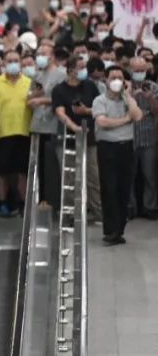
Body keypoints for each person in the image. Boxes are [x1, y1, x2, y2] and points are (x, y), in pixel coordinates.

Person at [92, 66, 143, 245]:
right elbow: (103, 122)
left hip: (126, 147)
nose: (116, 81)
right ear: (106, 80)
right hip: (107, 147)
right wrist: (125, 119)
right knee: (109, 188)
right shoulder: (99, 100)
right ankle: (110, 230)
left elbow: (137, 116)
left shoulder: (127, 100)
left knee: (124, 189)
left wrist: (128, 96)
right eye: (113, 77)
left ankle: (119, 229)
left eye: (120, 78)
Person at [52, 55, 102, 221]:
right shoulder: (59, 90)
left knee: (93, 177)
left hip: (90, 137)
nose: (83, 70)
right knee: (70, 179)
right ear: (70, 70)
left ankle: (98, 212)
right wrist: (75, 128)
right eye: (80, 67)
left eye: (84, 67)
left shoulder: (90, 86)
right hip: (68, 138)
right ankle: (70, 214)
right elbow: (60, 112)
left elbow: (98, 107)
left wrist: (86, 111)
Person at [0, 50, 32, 217]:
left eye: (16, 60)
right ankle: (3, 203)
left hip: (24, 132)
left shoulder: (29, 82)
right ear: (3, 64)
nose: (13, 63)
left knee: (22, 172)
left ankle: (23, 203)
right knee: (2, 172)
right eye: (9, 61)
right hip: (3, 134)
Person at [26, 45, 66, 207]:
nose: (40, 57)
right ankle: (42, 198)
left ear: (52, 56)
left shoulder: (62, 74)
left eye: (43, 53)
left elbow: (63, 98)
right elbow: (29, 97)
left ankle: (55, 200)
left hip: (54, 124)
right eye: (38, 54)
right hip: (38, 124)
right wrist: (34, 96)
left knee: (53, 164)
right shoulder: (37, 75)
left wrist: (43, 100)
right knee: (40, 163)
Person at [128, 56, 158, 219]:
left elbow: (156, 111)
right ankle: (130, 207)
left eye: (142, 70)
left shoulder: (153, 87)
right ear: (130, 70)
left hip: (149, 137)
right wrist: (132, 96)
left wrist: (150, 98)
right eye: (136, 70)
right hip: (129, 136)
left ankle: (150, 207)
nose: (139, 73)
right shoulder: (125, 86)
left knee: (150, 175)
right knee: (129, 175)